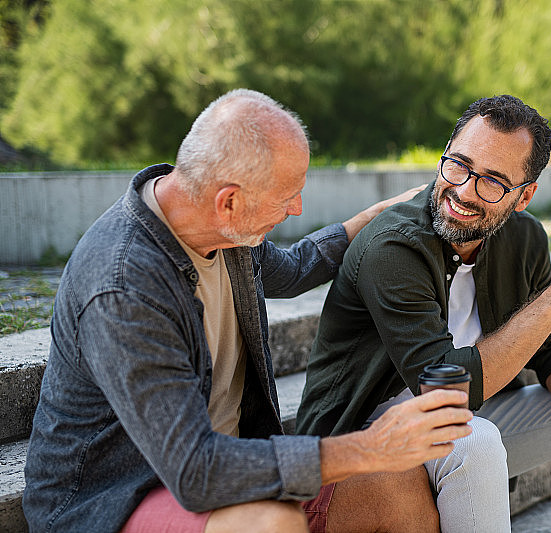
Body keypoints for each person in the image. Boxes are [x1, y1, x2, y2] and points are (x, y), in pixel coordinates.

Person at [23, 89, 474, 533]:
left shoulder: (222, 231)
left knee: (397, 486)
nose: (296, 208)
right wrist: (370, 447)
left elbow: (292, 269)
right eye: (286, 197)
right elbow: (196, 470)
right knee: (270, 523)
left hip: (225, 465)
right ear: (229, 201)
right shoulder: (124, 287)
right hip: (116, 499)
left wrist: (375, 218)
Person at [296, 95, 551, 532]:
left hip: (457, 431)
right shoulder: (393, 246)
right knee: (473, 439)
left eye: (493, 182)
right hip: (362, 445)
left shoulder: (524, 238)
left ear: (524, 196)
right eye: (459, 165)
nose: (465, 191)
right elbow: (445, 389)